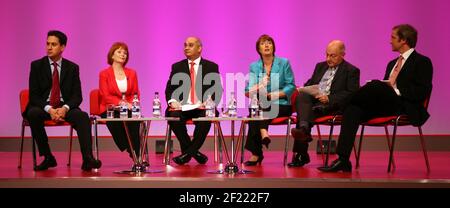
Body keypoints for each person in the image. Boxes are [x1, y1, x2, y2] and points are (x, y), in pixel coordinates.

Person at [318, 24, 433, 172]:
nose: (390, 41)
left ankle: (334, 107)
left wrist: (396, 90)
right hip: (385, 106)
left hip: (404, 105)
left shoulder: (422, 62)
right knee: (353, 109)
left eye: (393, 37)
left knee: (376, 85)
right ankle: (343, 159)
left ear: (404, 40)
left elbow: (421, 91)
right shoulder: (392, 63)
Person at [25, 30, 102, 171]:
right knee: (32, 114)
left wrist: (65, 108)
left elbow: (77, 96)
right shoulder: (36, 65)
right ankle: (48, 157)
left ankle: (88, 158)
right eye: (47, 44)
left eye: (53, 44)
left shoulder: (72, 68)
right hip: (44, 107)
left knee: (82, 116)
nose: (49, 47)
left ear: (62, 47)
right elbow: (34, 96)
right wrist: (49, 109)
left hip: (64, 107)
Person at [288, 40, 360, 167]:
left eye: (332, 55)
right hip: (315, 104)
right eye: (327, 55)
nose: (328, 59)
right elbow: (311, 84)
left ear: (343, 54)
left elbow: (352, 93)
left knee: (304, 112)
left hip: (333, 106)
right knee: (302, 97)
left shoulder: (351, 70)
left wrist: (330, 98)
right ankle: (304, 129)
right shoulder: (320, 66)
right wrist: (305, 89)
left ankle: (301, 152)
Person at [165, 37, 223, 165]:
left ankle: (187, 154)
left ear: (199, 48)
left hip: (202, 107)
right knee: (173, 116)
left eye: (190, 45)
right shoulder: (177, 66)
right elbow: (169, 89)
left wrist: (209, 102)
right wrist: (172, 101)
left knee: (206, 116)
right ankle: (194, 152)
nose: (186, 47)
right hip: (182, 107)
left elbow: (218, 90)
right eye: (185, 45)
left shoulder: (211, 66)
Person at [244, 34, 296, 166]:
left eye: (269, 42)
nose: (266, 45)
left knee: (255, 113)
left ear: (273, 46)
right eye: (263, 43)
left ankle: (256, 152)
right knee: (257, 108)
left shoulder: (284, 63)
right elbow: (247, 90)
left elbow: (291, 85)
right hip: (263, 104)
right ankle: (263, 135)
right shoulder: (254, 66)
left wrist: (275, 95)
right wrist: (260, 85)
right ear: (258, 49)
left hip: (281, 104)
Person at [99, 42, 141, 159]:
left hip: (128, 107)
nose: (123, 55)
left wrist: (132, 104)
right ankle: (130, 148)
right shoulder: (104, 74)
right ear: (112, 55)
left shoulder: (132, 73)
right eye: (119, 52)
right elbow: (105, 95)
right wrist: (121, 103)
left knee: (134, 120)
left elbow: (135, 93)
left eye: (125, 53)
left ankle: (138, 156)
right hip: (110, 108)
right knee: (114, 121)